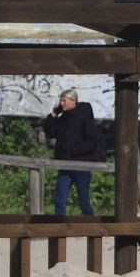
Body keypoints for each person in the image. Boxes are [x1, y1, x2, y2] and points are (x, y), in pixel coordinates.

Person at [43, 88, 103, 216]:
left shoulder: (83, 116)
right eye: (61, 100)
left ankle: (91, 226)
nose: (61, 103)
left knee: (83, 201)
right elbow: (50, 132)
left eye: (64, 101)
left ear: (73, 101)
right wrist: (53, 115)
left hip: (81, 166)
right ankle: (59, 228)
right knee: (60, 199)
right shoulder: (63, 118)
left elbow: (93, 141)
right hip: (65, 165)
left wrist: (74, 150)